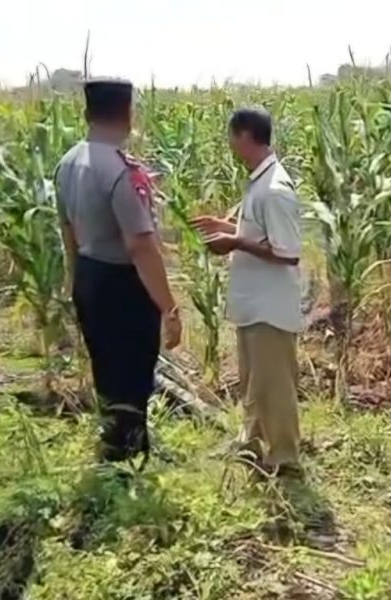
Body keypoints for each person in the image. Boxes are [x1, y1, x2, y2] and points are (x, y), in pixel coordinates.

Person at [54, 78, 181, 462]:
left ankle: (117, 444)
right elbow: (140, 245)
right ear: (127, 115)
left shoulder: (68, 162)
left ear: (87, 114)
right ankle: (124, 457)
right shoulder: (121, 171)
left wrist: (75, 280)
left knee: (106, 369)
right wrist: (169, 306)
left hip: (88, 275)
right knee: (132, 371)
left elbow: (67, 230)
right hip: (122, 285)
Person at [191, 107, 303, 475]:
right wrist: (224, 227)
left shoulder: (275, 190)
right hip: (254, 304)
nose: (229, 143)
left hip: (270, 307)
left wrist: (235, 242)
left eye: (231, 135)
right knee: (254, 382)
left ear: (243, 136)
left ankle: (284, 457)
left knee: (275, 386)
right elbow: (260, 233)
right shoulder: (259, 181)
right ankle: (252, 443)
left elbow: (287, 252)